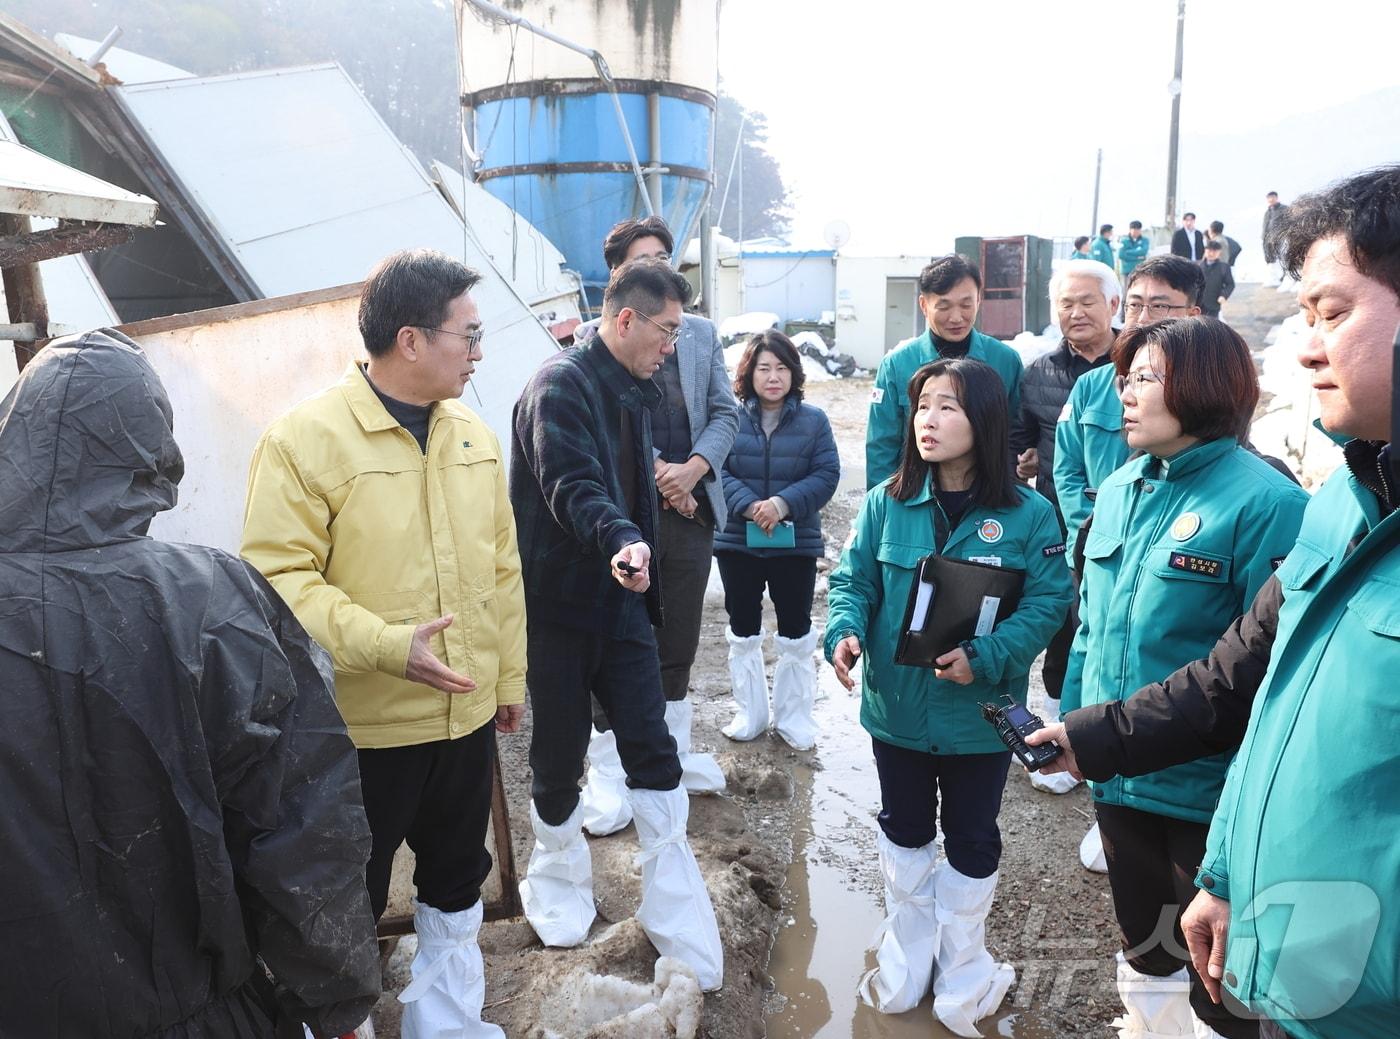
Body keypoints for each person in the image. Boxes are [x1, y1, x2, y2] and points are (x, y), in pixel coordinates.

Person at [1031, 163, 1400, 1039]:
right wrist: (1228, 868)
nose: (1309, 348)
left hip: (1360, 977)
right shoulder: (1345, 506)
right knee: (1154, 951)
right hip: (1285, 938)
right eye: (1305, 316)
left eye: (1335, 312)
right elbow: (1244, 682)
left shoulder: (1271, 500)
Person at [0, 330, 380, 1038]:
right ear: (149, 450)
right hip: (201, 1013)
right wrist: (334, 1001)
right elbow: (303, 823)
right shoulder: (209, 598)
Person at [241, 249, 524, 1037]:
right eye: (468, 335)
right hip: (356, 730)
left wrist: (508, 677)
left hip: (461, 718)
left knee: (456, 877)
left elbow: (503, 566)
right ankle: (342, 1022)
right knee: (346, 893)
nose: (477, 352)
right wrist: (386, 644)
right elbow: (276, 579)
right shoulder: (305, 441)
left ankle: (447, 1020)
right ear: (410, 339)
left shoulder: (471, 434)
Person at [1063, 317, 1308, 1039]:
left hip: (1207, 795)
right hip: (1117, 778)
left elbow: (1261, 680)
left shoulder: (1268, 504)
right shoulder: (1118, 489)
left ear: (1202, 385)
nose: (1125, 397)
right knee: (1145, 949)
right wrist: (1075, 728)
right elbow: (1090, 626)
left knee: (1217, 981)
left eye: (1144, 378)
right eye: (1124, 379)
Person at [826, 357, 1074, 1035]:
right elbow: (853, 583)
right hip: (897, 711)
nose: (928, 421)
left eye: (948, 407)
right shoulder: (886, 501)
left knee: (971, 836)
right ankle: (908, 962)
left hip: (976, 718)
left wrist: (988, 655)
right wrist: (844, 632)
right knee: (904, 830)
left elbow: (1051, 599)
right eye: (923, 406)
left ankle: (963, 967)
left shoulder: (1029, 515)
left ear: (986, 420)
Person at [509, 257, 724, 990]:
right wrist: (620, 539)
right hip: (561, 610)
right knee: (560, 750)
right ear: (625, 318)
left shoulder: (639, 388)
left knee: (652, 744)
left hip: (624, 602)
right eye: (666, 331)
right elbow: (573, 485)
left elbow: (634, 479)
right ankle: (560, 876)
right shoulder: (557, 385)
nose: (673, 347)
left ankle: (673, 902)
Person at [576, 217, 738, 833]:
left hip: (692, 510)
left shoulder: (698, 335)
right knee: (618, 634)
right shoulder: (584, 351)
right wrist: (660, 475)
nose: (661, 269)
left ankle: (668, 755)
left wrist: (694, 469)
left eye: (667, 257)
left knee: (679, 637)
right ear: (618, 279)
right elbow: (596, 435)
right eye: (645, 260)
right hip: (626, 513)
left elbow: (726, 411)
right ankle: (608, 776)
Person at [1052, 255, 1205, 871]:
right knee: (1090, 658)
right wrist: (1084, 527)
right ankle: (1103, 794)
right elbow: (1064, 462)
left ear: (1194, 312)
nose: (1141, 316)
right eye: (1135, 304)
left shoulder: (1205, 383)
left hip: (1171, 555)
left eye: (1158, 306)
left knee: (1159, 667)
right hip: (1100, 548)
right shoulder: (1093, 386)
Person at [1010, 259, 1120, 794]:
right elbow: (1019, 437)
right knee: (1062, 623)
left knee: (1113, 629)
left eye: (1086, 302)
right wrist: (1025, 457)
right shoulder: (1040, 373)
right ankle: (1057, 735)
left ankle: (1113, 737)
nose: (1075, 313)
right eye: (1065, 304)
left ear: (1113, 306)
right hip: (1057, 523)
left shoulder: (1138, 362)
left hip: (1128, 525)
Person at [715, 330, 840, 750]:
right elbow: (716, 470)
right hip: (738, 542)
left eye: (782, 367)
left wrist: (783, 504)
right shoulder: (728, 418)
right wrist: (751, 506)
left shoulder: (814, 421)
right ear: (748, 373)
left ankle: (794, 717)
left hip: (795, 542)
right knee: (743, 626)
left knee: (796, 628)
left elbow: (826, 475)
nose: (773, 377)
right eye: (764, 368)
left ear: (794, 373)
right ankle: (749, 713)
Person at [866, 254, 1024, 488]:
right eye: (944, 306)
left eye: (966, 304)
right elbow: (882, 444)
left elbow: (1015, 435)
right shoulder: (896, 365)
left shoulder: (1005, 360)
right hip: (916, 494)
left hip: (987, 494)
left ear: (979, 300)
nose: (957, 317)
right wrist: (884, 508)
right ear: (924, 305)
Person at [1199, 241, 1236, 318]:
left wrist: (1224, 295)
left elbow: (1230, 284)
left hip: (1213, 305)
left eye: (1215, 251)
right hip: (1197, 305)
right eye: (1209, 251)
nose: (1211, 254)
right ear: (1205, 251)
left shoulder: (1224, 267)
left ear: (1219, 253)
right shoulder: (1197, 266)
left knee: (1212, 328)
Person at [1261, 191, 1289, 282]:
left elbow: (1288, 222)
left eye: (1272, 197)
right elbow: (1265, 226)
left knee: (1281, 258)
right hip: (1267, 239)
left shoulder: (1284, 209)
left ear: (1276, 198)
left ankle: (1284, 279)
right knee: (1270, 259)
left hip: (1280, 237)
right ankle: (1274, 280)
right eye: (1269, 198)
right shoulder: (1267, 212)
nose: (1271, 199)